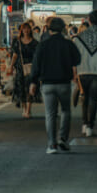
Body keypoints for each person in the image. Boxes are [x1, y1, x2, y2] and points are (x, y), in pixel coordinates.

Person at [29, 16, 80, 153]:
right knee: (65, 111)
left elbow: (36, 65)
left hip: (47, 84)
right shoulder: (68, 44)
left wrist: (33, 82)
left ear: (49, 29)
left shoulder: (43, 45)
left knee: (50, 114)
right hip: (64, 83)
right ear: (63, 29)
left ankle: (52, 144)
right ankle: (63, 139)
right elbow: (77, 59)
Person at [6, 22, 38, 117]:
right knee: (21, 89)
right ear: (21, 30)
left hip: (31, 67)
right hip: (20, 68)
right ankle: (24, 108)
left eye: (28, 29)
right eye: (24, 29)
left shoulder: (35, 42)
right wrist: (11, 67)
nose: (26, 31)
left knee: (30, 88)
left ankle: (28, 110)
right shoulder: (18, 42)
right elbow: (15, 55)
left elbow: (37, 56)